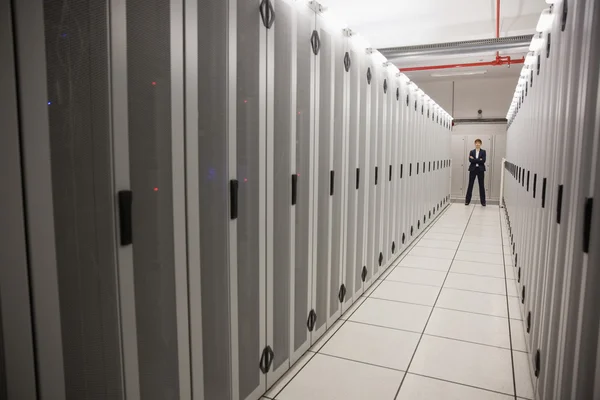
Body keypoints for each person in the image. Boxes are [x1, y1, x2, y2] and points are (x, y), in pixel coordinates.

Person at [465, 139, 487, 206]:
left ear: (481, 144)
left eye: (479, 143)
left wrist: (474, 159)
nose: (477, 144)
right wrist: (478, 159)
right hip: (473, 170)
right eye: (476, 143)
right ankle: (467, 201)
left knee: (481, 185)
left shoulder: (483, 151)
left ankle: (483, 202)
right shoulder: (472, 151)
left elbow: (483, 160)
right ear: (475, 144)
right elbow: (470, 160)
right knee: (470, 185)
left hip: (480, 170)